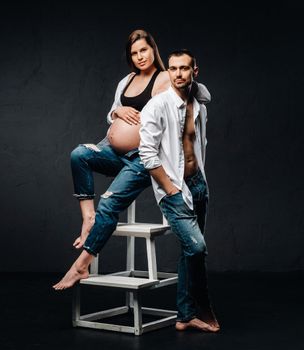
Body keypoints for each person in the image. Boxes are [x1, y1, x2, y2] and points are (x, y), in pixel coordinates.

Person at [53, 32, 210, 292]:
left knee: (110, 202)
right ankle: (88, 218)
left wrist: (188, 79)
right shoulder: (127, 80)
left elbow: (199, 93)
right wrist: (116, 111)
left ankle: (82, 264)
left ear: (153, 51)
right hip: (113, 150)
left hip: (142, 157)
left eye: (144, 50)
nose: (140, 56)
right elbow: (112, 111)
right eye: (134, 53)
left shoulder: (165, 77)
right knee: (79, 154)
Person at [139, 49, 220, 332]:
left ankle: (184, 316)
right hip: (173, 189)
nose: (178, 74)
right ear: (168, 71)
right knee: (197, 247)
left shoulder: (199, 107)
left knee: (189, 251)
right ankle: (203, 306)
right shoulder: (157, 106)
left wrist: (197, 182)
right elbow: (147, 154)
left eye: (184, 68)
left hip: (198, 184)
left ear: (194, 71)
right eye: (173, 69)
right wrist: (170, 188)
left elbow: (199, 145)